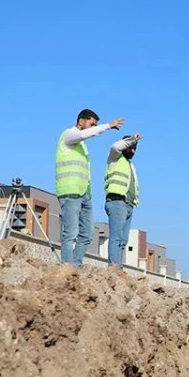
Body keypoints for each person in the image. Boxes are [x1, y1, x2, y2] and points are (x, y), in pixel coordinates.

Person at [55, 109, 124, 267]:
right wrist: (107, 126)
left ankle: (75, 266)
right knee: (71, 233)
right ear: (81, 121)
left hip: (84, 193)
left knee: (87, 233)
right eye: (92, 124)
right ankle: (67, 267)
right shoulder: (68, 135)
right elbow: (84, 135)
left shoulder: (81, 146)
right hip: (70, 191)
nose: (94, 127)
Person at [104, 133, 142, 268]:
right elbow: (116, 146)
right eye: (130, 147)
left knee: (123, 240)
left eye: (134, 149)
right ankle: (113, 267)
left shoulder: (130, 165)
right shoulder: (115, 158)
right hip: (117, 201)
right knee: (116, 237)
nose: (132, 151)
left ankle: (118, 268)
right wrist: (132, 139)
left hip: (129, 204)